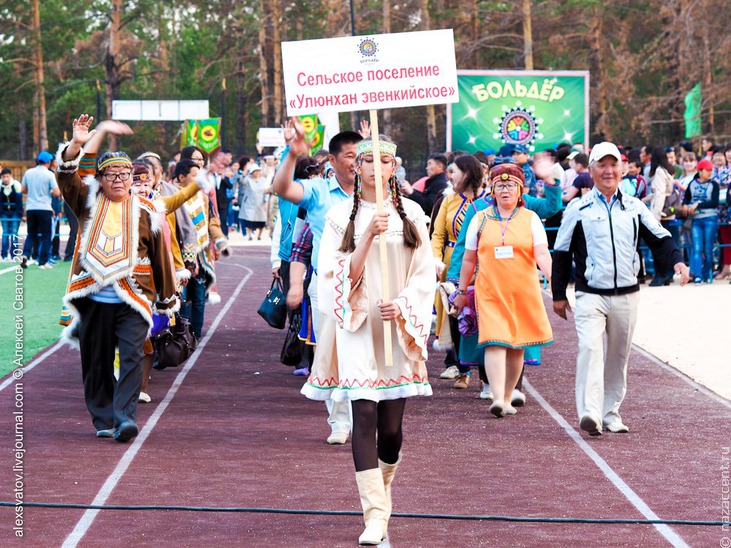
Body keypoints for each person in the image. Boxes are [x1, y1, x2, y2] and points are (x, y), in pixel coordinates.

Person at [301, 136, 434, 545]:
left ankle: (384, 486)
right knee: (365, 418)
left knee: (391, 430)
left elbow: (425, 273)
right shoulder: (342, 215)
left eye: (386, 161)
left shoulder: (412, 212)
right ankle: (374, 514)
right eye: (368, 161)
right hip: (357, 326)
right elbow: (332, 273)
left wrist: (406, 304)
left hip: (396, 327)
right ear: (356, 168)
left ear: (395, 168)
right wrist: (367, 238)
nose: (377, 168)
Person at [552, 142, 689, 437]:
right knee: (589, 349)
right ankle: (590, 412)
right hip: (590, 295)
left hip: (627, 295)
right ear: (591, 171)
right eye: (602, 165)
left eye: (613, 165)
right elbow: (561, 253)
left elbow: (660, 239)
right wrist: (559, 294)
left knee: (618, 357)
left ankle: (610, 412)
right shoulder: (578, 208)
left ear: (622, 169)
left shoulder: (634, 207)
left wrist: (677, 261)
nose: (608, 170)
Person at [56, 114, 178, 441]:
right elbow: (66, 174)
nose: (120, 179)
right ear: (100, 179)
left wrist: (167, 300)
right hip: (94, 298)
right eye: (112, 174)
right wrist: (80, 143)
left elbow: (161, 259)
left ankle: (125, 417)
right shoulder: (86, 202)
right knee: (96, 363)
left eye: (126, 174)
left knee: (132, 355)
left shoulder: (146, 213)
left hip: (134, 298)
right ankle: (104, 419)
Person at [273, 120, 363, 445]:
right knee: (331, 353)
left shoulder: (381, 194)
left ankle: (366, 418)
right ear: (335, 160)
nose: (359, 162)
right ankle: (339, 421)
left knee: (368, 355)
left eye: (364, 155)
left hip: (372, 287)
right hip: (328, 286)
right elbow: (283, 189)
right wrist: (292, 154)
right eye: (352, 155)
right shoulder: (318, 191)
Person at [453, 163, 553, 417]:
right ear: (492, 190)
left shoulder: (530, 219)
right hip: (490, 291)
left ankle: (508, 397)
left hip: (523, 292)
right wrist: (462, 290)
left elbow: (542, 253)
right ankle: (497, 397)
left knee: (516, 346)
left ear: (521, 191)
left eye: (510, 185)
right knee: (494, 342)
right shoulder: (480, 218)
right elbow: (468, 258)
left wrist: (556, 281)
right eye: (500, 185)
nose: (505, 190)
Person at [431, 154, 486, 387]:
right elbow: (438, 234)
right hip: (451, 263)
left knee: (481, 317)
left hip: (482, 266)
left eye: (455, 172)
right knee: (455, 316)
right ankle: (461, 368)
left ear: (468, 174)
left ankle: (486, 373)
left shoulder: (488, 200)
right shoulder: (448, 200)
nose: (450, 176)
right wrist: (435, 259)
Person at [20, 151, 60, 269]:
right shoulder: (49, 174)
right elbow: (57, 192)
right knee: (46, 235)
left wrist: (32, 191)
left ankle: (26, 254)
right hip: (45, 208)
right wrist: (51, 192)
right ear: (48, 162)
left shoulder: (28, 172)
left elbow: (23, 189)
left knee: (31, 234)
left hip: (31, 208)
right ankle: (43, 262)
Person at [683, 158, 720, 284]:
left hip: (710, 218)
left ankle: (705, 273)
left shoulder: (714, 184)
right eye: (707, 170)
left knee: (708, 250)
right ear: (700, 171)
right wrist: (685, 205)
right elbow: (687, 198)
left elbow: (714, 202)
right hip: (696, 220)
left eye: (711, 170)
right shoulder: (692, 184)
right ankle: (697, 275)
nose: (710, 173)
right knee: (697, 248)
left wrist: (698, 204)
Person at [238, 164, 269, 240]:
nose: (257, 173)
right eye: (255, 171)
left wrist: (266, 201)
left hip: (260, 203)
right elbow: (242, 181)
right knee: (249, 219)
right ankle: (250, 235)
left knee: (262, 220)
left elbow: (266, 190)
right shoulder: (248, 179)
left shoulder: (263, 180)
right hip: (250, 203)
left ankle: (259, 235)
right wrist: (245, 170)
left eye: (258, 171)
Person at [1, 168, 23, 260]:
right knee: (5, 233)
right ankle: (4, 255)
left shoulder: (16, 185)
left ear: (10, 176)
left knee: (14, 232)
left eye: (7, 176)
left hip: (15, 212)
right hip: (4, 212)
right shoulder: (0, 186)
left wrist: (20, 214)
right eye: (3, 177)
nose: (5, 179)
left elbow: (19, 201)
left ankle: (14, 254)